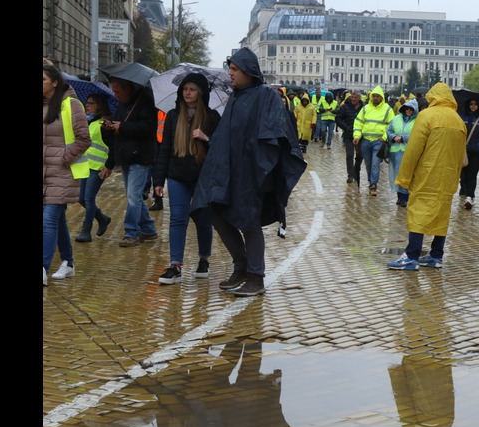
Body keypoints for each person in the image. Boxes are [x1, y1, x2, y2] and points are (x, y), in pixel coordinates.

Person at [191, 47, 307, 297]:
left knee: (249, 223)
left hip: (256, 172)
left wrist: (260, 164)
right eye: (230, 69)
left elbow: (275, 132)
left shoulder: (266, 95)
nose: (230, 74)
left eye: (234, 70)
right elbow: (228, 136)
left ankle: (256, 277)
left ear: (249, 71)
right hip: (230, 171)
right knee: (215, 211)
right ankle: (241, 266)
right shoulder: (236, 97)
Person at [387, 83, 466, 271]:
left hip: (426, 174)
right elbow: (460, 155)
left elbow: (413, 149)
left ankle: (412, 256)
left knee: (418, 212)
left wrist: (404, 177)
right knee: (442, 214)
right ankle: (436, 255)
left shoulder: (426, 116)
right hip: (448, 177)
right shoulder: (458, 120)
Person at [152, 73, 221, 285]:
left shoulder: (212, 118)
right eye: (184, 89)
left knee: (203, 220)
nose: (187, 93)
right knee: (178, 219)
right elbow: (164, 149)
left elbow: (221, 150)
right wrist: (158, 180)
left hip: (202, 178)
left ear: (201, 93)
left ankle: (203, 260)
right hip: (177, 176)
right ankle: (175, 266)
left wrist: (206, 138)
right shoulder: (173, 116)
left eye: (192, 89)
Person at [43, 64, 91, 285]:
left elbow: (84, 139)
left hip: (63, 171)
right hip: (45, 172)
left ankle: (43, 268)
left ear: (54, 82)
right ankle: (68, 263)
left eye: (42, 79)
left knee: (48, 219)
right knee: (58, 218)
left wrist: (65, 157)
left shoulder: (71, 104)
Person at [101, 76, 160, 247]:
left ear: (127, 88)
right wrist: (110, 126)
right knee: (133, 196)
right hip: (126, 155)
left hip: (140, 156)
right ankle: (148, 229)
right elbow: (122, 123)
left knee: (133, 197)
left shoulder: (146, 101)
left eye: (117, 91)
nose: (115, 95)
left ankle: (131, 233)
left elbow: (148, 127)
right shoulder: (124, 103)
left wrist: (122, 127)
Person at [74, 93, 113, 243]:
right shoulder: (91, 122)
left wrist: (109, 165)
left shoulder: (104, 124)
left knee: (89, 198)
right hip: (86, 165)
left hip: (98, 167)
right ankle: (102, 218)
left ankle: (86, 231)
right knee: (81, 198)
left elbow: (112, 147)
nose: (87, 105)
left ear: (100, 105)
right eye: (86, 102)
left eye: (91, 103)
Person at [353, 86, 394, 196]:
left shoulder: (387, 109)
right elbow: (358, 123)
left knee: (375, 163)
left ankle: (373, 185)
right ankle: (371, 182)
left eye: (377, 96)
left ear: (381, 98)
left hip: (379, 142)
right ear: (371, 97)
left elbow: (392, 125)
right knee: (368, 164)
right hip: (366, 141)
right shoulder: (365, 108)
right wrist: (356, 136)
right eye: (374, 96)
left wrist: (384, 137)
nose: (375, 98)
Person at [386, 98, 419, 207]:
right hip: (395, 153)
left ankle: (405, 198)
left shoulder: (418, 121)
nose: (408, 111)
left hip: (408, 152)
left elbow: (418, 136)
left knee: (406, 175)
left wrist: (403, 138)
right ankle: (400, 197)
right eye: (407, 108)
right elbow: (388, 131)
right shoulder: (396, 119)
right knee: (397, 175)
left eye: (411, 109)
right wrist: (394, 137)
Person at [335, 92, 364, 184]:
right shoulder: (345, 107)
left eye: (355, 98)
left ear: (359, 98)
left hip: (361, 136)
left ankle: (356, 172)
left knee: (360, 156)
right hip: (349, 135)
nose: (353, 99)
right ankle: (350, 175)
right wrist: (346, 127)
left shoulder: (364, 108)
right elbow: (338, 118)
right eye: (352, 97)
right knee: (350, 155)